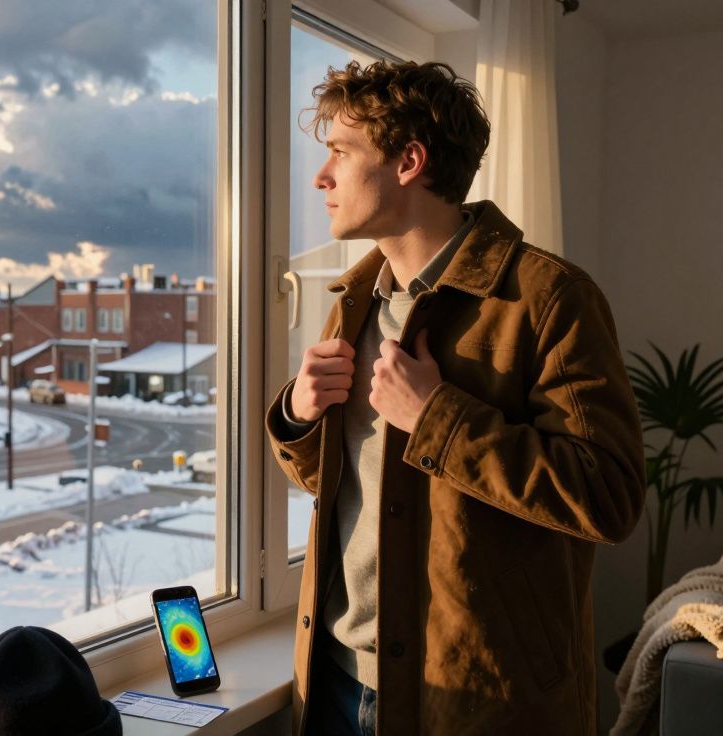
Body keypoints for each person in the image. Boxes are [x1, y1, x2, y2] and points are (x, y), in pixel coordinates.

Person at [265, 59, 646, 735]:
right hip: (331, 680)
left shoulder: (548, 299)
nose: (321, 178)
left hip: (474, 702)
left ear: (409, 161)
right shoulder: (355, 302)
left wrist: (438, 418)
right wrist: (299, 416)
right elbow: (351, 482)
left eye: (341, 154)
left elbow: (608, 497)